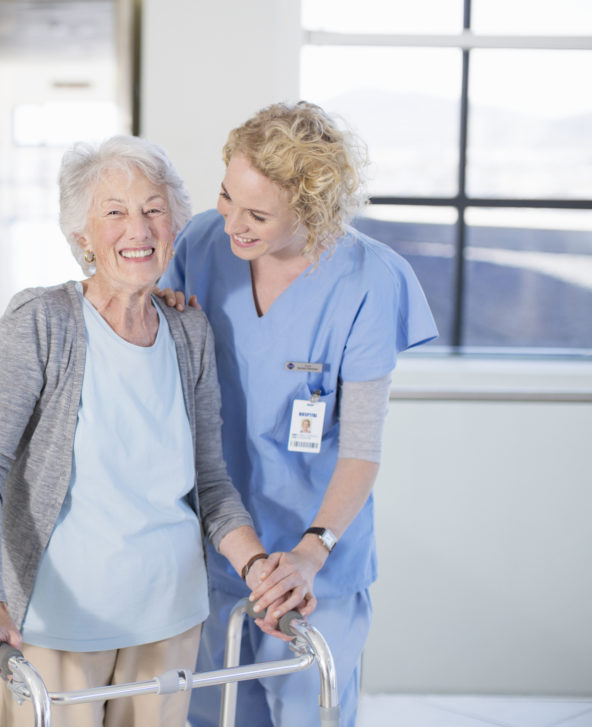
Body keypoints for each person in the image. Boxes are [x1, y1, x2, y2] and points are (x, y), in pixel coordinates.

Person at [0, 135, 271, 727]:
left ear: (174, 225)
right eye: (115, 212)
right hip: (59, 625)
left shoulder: (188, 329)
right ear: (82, 236)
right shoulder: (41, 323)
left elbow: (210, 482)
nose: (139, 229)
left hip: (169, 620)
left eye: (154, 210)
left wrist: (258, 567)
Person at [157, 101, 438, 727]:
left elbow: (362, 443)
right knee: (213, 715)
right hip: (218, 545)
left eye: (258, 214)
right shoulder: (201, 243)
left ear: (312, 210)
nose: (233, 223)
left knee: (306, 713)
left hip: (316, 563)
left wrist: (312, 553)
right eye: (227, 196)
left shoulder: (369, 279)